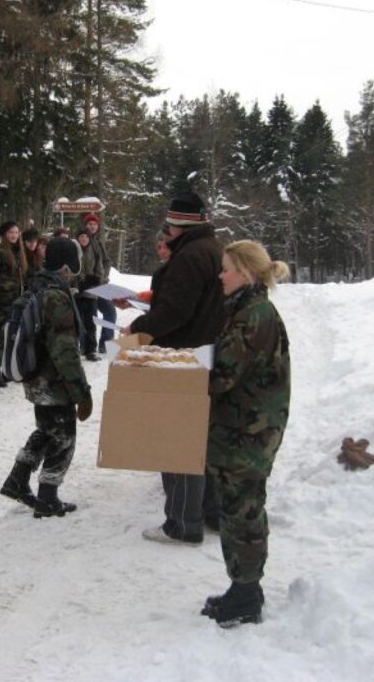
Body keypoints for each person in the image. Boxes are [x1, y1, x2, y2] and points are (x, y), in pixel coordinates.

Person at [201, 241, 290, 627]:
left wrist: (188, 372)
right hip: (244, 427)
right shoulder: (247, 310)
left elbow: (222, 376)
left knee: (242, 509)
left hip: (248, 431)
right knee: (240, 507)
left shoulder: (253, 315)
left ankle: (246, 593)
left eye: (226, 268)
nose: (220, 275)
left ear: (246, 273)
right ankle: (245, 588)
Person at [129, 191, 224, 546]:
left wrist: (139, 328)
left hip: (183, 359)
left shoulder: (189, 257)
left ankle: (183, 522)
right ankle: (211, 513)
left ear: (178, 225)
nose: (165, 232)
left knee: (177, 441)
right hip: (208, 355)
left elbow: (176, 311)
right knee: (202, 439)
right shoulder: (215, 251)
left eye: (168, 226)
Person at [0, 237, 92, 518]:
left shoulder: (39, 285)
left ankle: (17, 480)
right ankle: (48, 498)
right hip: (53, 381)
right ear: (68, 264)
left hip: (35, 376)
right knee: (63, 437)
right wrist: (81, 391)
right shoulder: (57, 296)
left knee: (46, 431)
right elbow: (65, 351)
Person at [0, 221, 27, 387]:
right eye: (11, 232)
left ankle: (7, 370)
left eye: (17, 232)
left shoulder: (19, 252)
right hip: (1, 301)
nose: (14, 235)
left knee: (11, 336)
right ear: (4, 234)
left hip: (16, 302)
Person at [84, 213, 115, 354]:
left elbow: (106, 261)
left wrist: (105, 276)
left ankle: (105, 343)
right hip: (89, 286)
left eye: (95, 224)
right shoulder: (83, 240)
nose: (92, 226)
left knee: (110, 311)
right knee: (91, 316)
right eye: (90, 224)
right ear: (85, 225)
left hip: (101, 285)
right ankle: (88, 346)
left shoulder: (99, 241)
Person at [74, 230, 100, 362]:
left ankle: (90, 350)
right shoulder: (73, 250)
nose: (83, 239)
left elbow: (99, 268)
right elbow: (70, 270)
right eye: (81, 236)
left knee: (91, 323)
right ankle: (74, 349)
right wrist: (78, 282)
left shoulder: (94, 249)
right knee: (76, 322)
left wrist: (96, 279)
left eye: (85, 236)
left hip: (91, 293)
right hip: (77, 293)